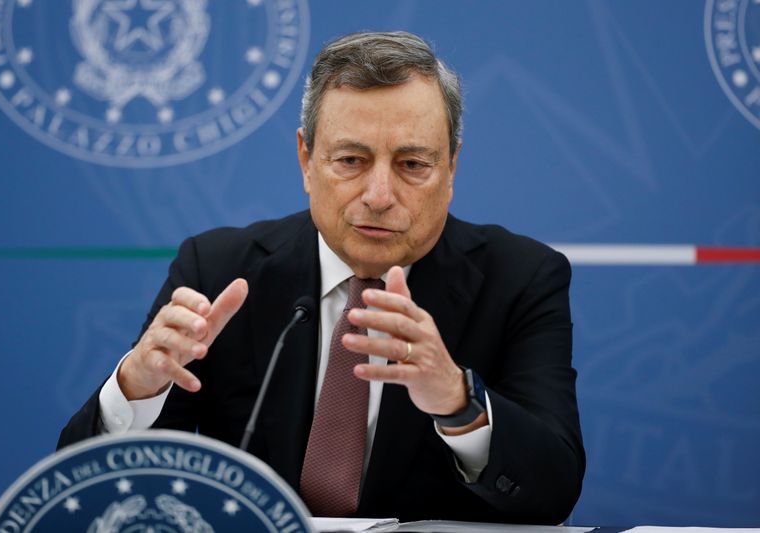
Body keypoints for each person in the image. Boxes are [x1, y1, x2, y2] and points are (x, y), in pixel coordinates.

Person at [59, 31, 584, 524]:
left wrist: (458, 403)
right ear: (306, 160)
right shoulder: (219, 269)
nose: (379, 196)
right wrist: (135, 388)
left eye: (412, 164)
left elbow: (554, 490)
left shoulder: (519, 278)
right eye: (351, 160)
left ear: (450, 170)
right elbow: (88, 494)